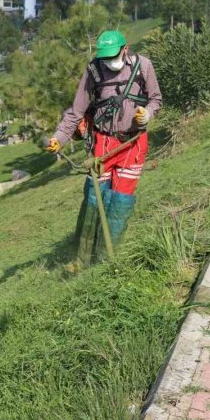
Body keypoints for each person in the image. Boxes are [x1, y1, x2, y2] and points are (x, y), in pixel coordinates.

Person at [45, 30, 162, 261]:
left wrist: (147, 114)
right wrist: (59, 138)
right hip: (103, 142)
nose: (108, 62)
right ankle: (81, 259)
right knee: (94, 198)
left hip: (134, 143)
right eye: (104, 57)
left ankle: (105, 259)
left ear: (125, 49)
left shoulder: (144, 66)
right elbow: (75, 112)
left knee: (121, 200)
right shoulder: (93, 71)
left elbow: (156, 99)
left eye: (112, 56)